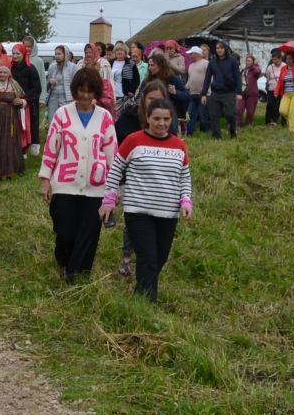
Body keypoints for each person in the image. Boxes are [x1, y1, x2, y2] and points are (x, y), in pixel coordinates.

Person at [102, 98, 193, 303]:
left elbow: (184, 177)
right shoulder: (133, 140)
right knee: (148, 259)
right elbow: (115, 171)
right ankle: (147, 304)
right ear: (148, 119)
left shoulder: (179, 145)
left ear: (171, 120)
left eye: (166, 119)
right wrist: (109, 199)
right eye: (156, 119)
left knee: (159, 259)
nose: (161, 123)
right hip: (138, 211)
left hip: (167, 214)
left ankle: (140, 295)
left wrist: (186, 201)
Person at [40, 66, 118, 284]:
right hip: (65, 182)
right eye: (81, 90)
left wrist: (113, 189)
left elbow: (112, 152)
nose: (85, 96)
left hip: (96, 185)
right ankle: (63, 255)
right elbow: (51, 148)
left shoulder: (105, 118)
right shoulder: (62, 114)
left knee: (89, 233)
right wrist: (45, 180)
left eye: (90, 91)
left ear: (96, 93)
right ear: (75, 90)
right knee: (65, 231)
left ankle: (76, 273)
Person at [206, 41, 241, 138]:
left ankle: (233, 129)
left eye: (221, 48)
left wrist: (239, 92)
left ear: (225, 49)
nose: (219, 50)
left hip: (229, 92)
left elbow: (237, 77)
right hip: (215, 92)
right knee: (213, 115)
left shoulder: (233, 61)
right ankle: (216, 136)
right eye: (217, 48)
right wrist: (203, 94)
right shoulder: (212, 62)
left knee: (230, 114)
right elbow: (207, 78)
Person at [44, 45, 80, 126]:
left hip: (67, 98)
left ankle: (66, 138)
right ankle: (53, 138)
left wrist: (75, 97)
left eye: (59, 54)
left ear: (65, 54)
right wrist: (50, 82)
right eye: (56, 54)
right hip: (53, 97)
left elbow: (78, 84)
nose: (57, 56)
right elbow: (46, 85)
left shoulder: (73, 67)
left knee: (66, 120)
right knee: (53, 121)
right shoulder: (52, 67)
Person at [184, 46, 209, 138]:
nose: (189, 56)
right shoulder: (190, 66)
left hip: (204, 94)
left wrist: (207, 92)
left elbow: (211, 78)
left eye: (191, 54)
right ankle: (190, 133)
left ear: (197, 54)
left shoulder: (206, 63)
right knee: (191, 114)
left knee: (203, 115)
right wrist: (186, 86)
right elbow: (190, 79)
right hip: (192, 93)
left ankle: (205, 133)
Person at [239, 54, 262, 130]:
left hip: (252, 94)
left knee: (250, 112)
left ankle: (248, 125)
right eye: (246, 60)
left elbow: (258, 72)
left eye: (249, 61)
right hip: (243, 93)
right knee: (239, 109)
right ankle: (239, 124)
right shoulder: (244, 70)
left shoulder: (255, 70)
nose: (247, 62)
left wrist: (255, 64)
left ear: (252, 62)